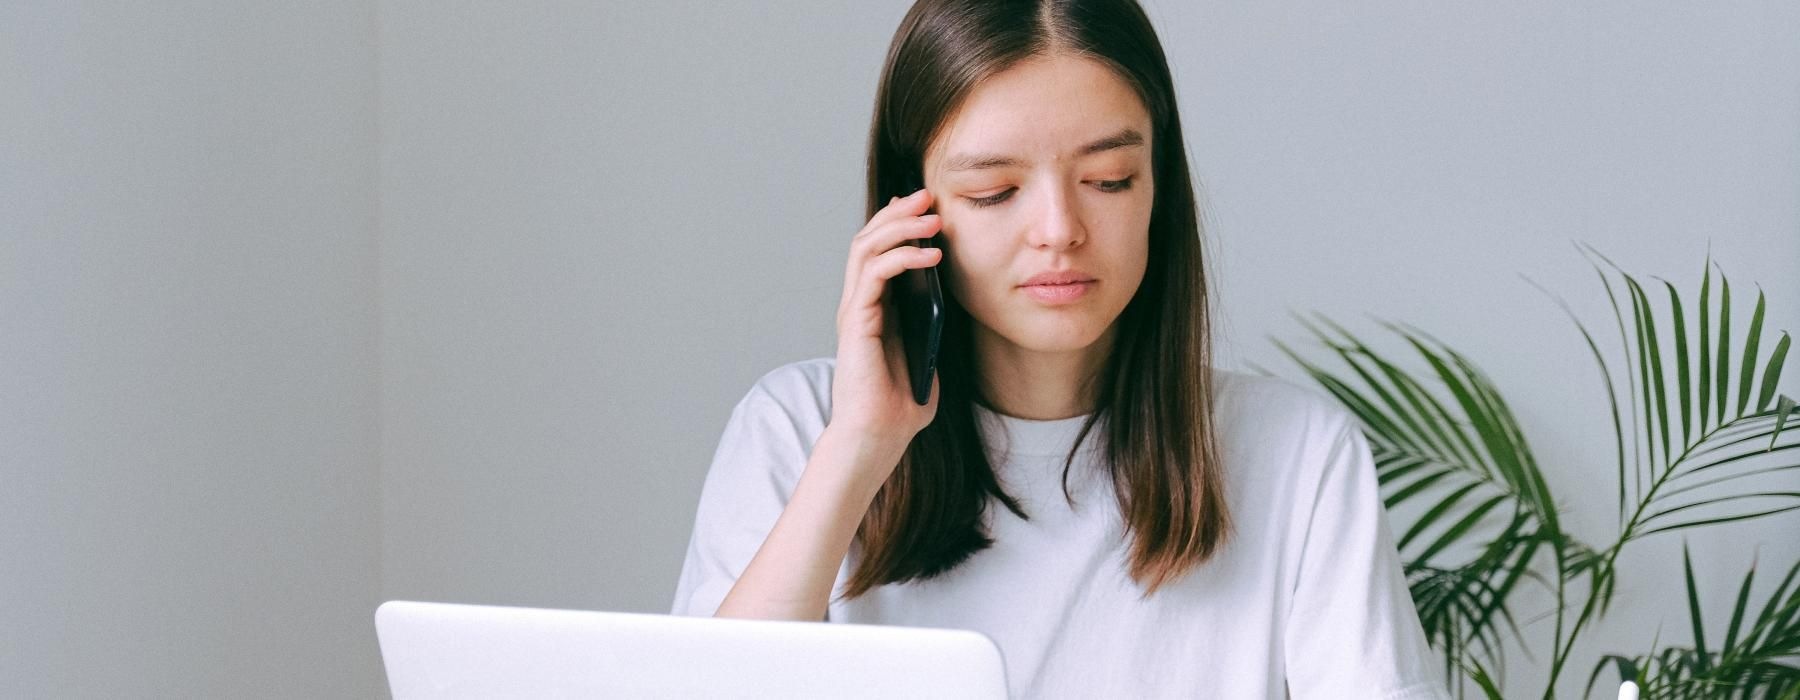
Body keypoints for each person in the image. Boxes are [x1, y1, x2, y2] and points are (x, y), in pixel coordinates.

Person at [671, 1, 1448, 697]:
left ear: (1157, 188)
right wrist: (857, 450)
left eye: (1109, 179)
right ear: (912, 213)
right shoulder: (797, 428)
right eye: (994, 192)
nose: (1059, 230)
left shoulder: (1297, 454)